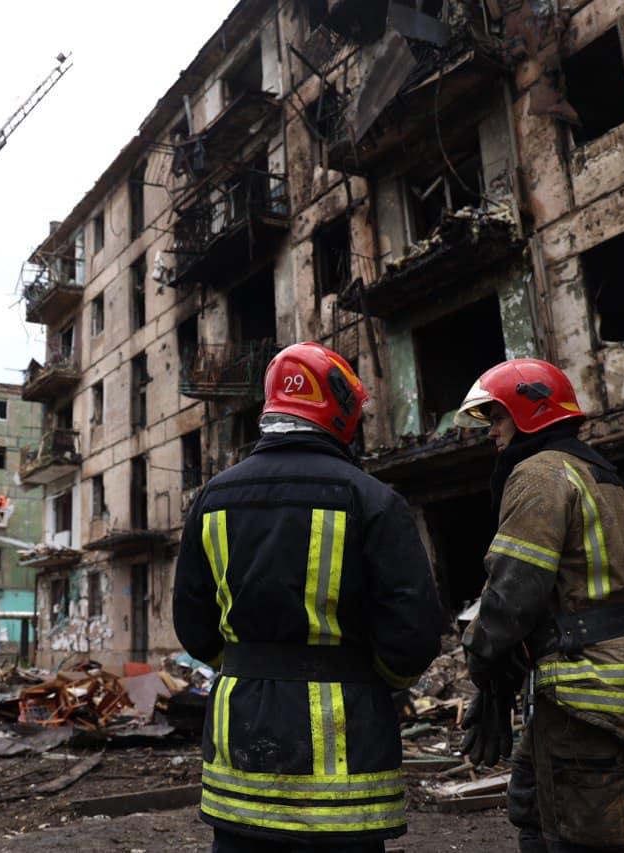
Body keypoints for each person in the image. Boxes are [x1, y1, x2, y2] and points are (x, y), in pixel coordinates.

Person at [174, 342, 445, 852]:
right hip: (345, 763)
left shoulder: (211, 498)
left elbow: (192, 624)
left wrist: (251, 664)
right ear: (339, 410)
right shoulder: (374, 501)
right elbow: (412, 633)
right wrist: (376, 679)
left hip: (241, 753)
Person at [454, 358, 624, 853]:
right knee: (534, 806)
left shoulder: (540, 474)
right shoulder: (600, 473)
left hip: (585, 689)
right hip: (609, 680)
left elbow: (514, 589)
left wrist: (484, 668)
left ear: (528, 412)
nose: (490, 432)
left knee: (592, 837)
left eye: (497, 418)